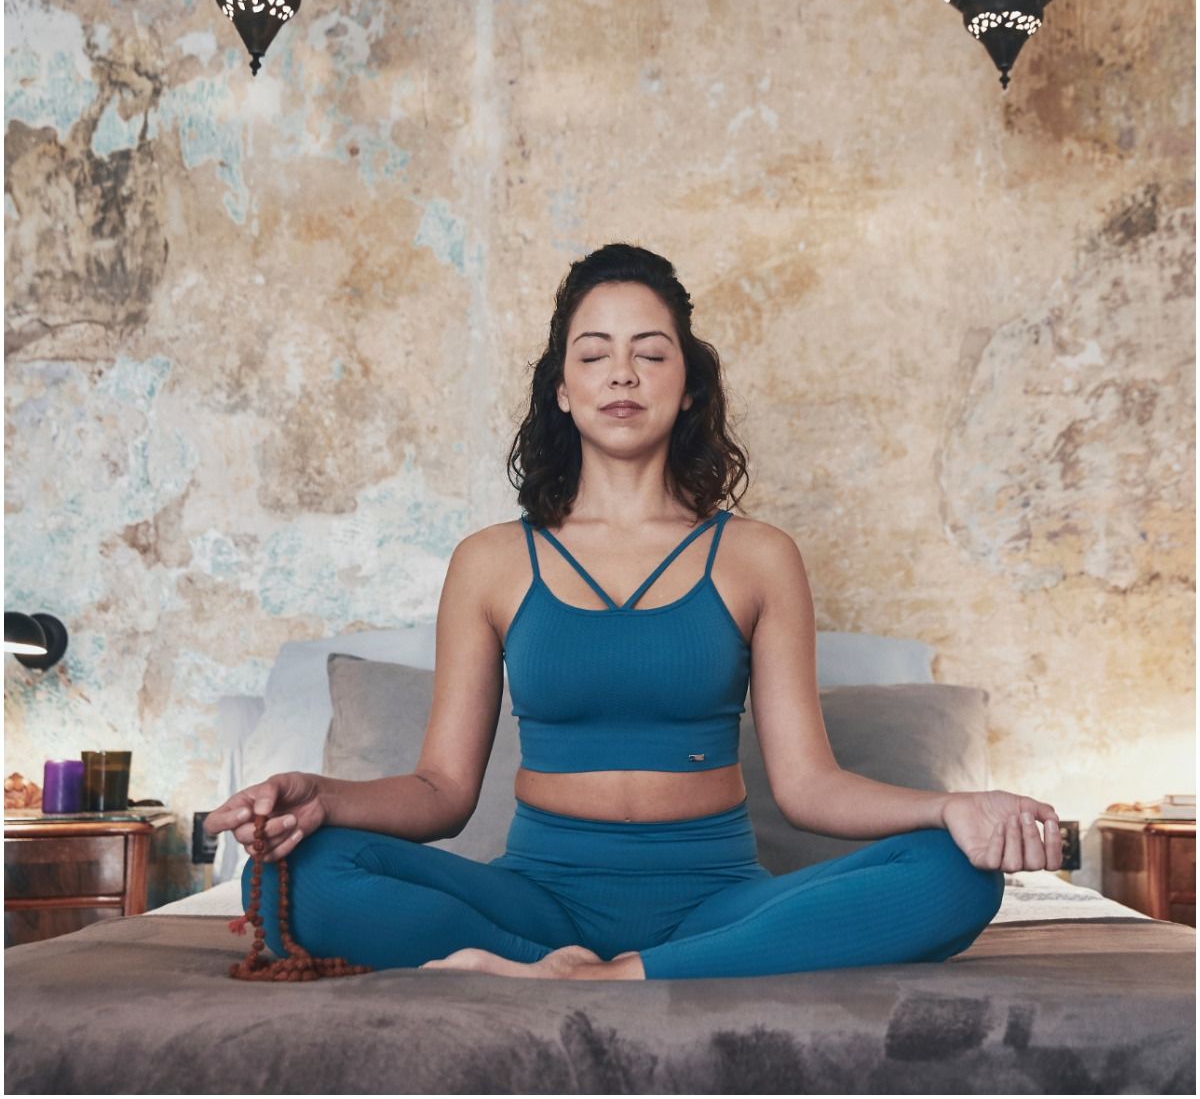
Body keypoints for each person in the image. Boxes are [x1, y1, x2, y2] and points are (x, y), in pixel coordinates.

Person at [204, 243, 1062, 981]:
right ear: (562, 391)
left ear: (687, 386)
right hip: (532, 897)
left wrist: (951, 808)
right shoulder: (491, 562)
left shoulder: (758, 557)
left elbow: (810, 788)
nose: (623, 372)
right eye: (595, 353)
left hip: (720, 900)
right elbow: (440, 794)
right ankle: (561, 962)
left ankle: (602, 978)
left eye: (651, 353)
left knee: (958, 873)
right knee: (291, 874)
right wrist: (322, 796)